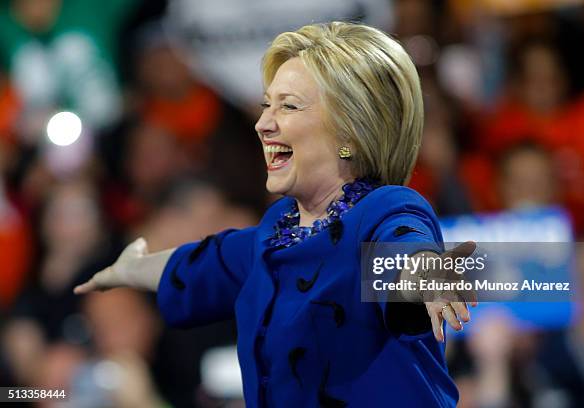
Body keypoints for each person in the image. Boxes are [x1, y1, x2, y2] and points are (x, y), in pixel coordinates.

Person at [75, 21, 475, 407]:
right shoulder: (276, 232)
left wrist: (425, 274)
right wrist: (132, 269)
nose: (263, 124)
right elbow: (205, 263)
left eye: (288, 106)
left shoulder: (380, 212)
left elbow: (402, 251)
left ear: (349, 132)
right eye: (267, 105)